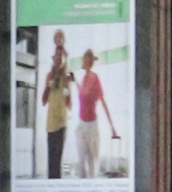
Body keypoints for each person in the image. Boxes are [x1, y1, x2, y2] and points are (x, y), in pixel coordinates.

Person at [75, 48, 120, 177]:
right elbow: (82, 93)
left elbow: (103, 102)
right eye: (85, 59)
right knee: (81, 162)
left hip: (92, 126)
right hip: (81, 124)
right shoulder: (83, 79)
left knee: (92, 163)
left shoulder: (95, 79)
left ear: (89, 62)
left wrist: (112, 127)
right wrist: (74, 82)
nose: (85, 62)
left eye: (87, 59)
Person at [41, 33, 73, 179]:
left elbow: (69, 104)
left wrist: (67, 89)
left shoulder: (66, 78)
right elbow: (43, 101)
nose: (58, 60)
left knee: (58, 160)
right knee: (50, 161)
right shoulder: (49, 76)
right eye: (56, 57)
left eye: (61, 58)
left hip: (61, 122)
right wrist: (48, 87)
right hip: (50, 123)